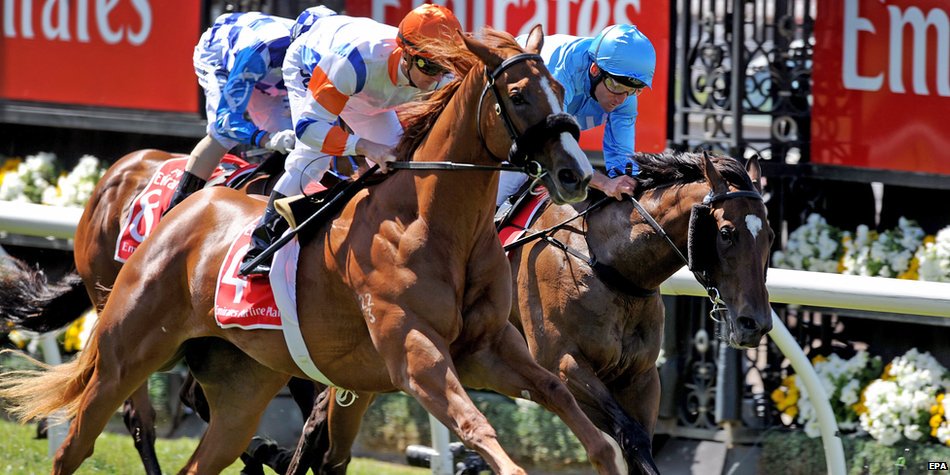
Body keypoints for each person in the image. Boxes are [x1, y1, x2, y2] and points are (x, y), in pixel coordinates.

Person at [239, 4, 462, 275]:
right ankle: (261, 243)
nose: (438, 78)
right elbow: (309, 128)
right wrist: (365, 146)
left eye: (445, 66)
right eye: (430, 67)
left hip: (367, 91)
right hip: (313, 69)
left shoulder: (439, 71)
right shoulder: (354, 61)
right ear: (406, 55)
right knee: (313, 159)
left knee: (400, 162)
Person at [495, 24, 656, 208]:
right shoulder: (560, 76)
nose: (622, 99)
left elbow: (621, 161)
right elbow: (551, 147)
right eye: (617, 86)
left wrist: (625, 183)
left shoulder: (624, 94)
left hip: (542, 122)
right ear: (595, 70)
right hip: (509, 109)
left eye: (634, 90)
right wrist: (604, 183)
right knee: (518, 169)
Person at [165, 11, 297, 213]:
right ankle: (178, 207)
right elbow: (226, 122)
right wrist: (267, 139)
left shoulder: (322, 57)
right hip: (222, 56)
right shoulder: (257, 54)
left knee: (290, 136)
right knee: (222, 137)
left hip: (269, 67)